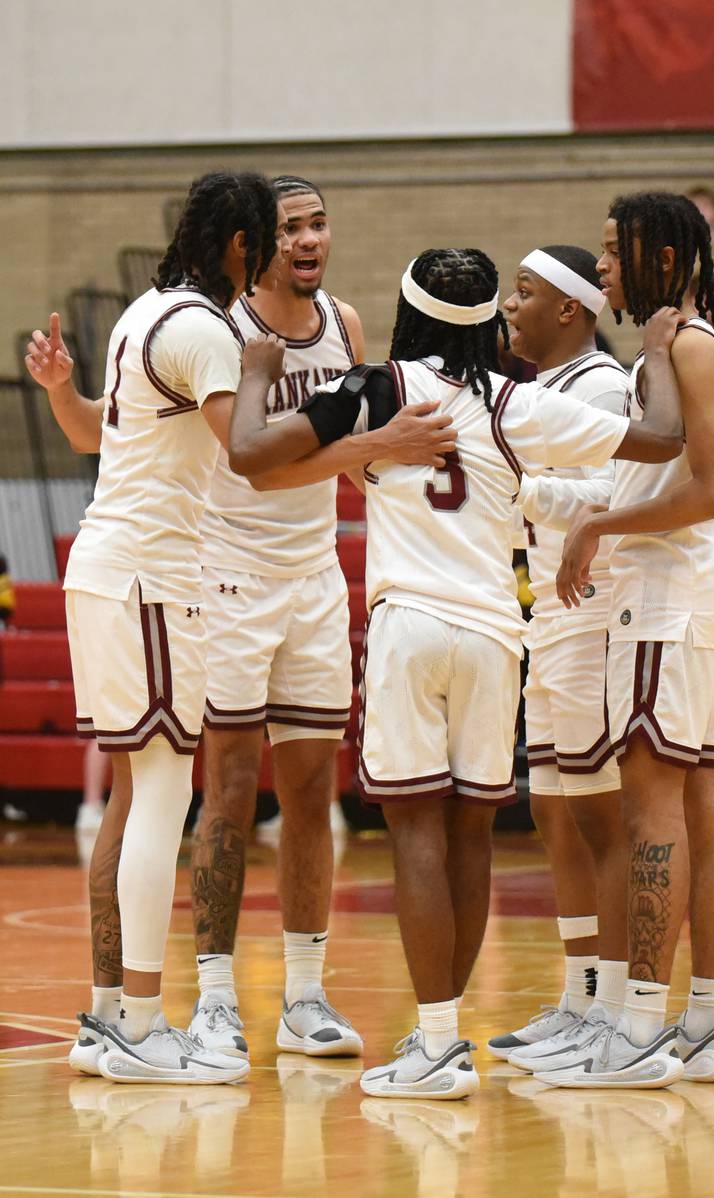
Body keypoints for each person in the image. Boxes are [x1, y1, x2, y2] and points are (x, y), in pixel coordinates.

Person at [226, 246, 687, 1099]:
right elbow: (661, 435)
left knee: (414, 836)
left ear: (407, 310)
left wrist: (258, 369)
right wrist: (657, 348)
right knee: (471, 834)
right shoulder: (516, 399)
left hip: (411, 629)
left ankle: (435, 1045)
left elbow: (251, 453)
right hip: (494, 632)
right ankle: (443, 1039)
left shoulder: (377, 388)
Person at [23, 170, 285, 1084]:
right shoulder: (208, 329)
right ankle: (141, 1019)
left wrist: (57, 390)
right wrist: (359, 439)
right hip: (150, 582)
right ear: (240, 247)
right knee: (164, 795)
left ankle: (107, 1018)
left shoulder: (144, 314)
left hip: (105, 572)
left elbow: (95, 434)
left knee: (139, 796)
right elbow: (248, 455)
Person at [554, 192, 714, 1088]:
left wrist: (605, 525)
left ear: (659, 257)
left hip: (669, 596)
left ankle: (638, 1027)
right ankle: (705, 1025)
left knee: (654, 814)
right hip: (691, 596)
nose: (603, 268)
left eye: (613, 252)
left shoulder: (691, 347)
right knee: (708, 810)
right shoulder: (674, 345)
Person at [189, 174, 366, 1060]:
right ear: (258, 242)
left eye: (318, 223)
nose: (308, 239)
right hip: (229, 573)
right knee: (226, 789)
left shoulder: (346, 325)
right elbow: (257, 465)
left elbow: (353, 467)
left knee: (308, 791)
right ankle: (214, 999)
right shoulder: (227, 331)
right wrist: (362, 451)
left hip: (313, 575)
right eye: (291, 226)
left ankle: (304, 995)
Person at [485, 246, 631, 1071]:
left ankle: (613, 1003)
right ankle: (579, 996)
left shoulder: (605, 389)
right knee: (549, 808)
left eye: (527, 292)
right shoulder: (541, 391)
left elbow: (617, 496)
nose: (512, 305)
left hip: (596, 611)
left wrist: (523, 494)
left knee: (596, 813)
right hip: (547, 614)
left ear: (570, 309)